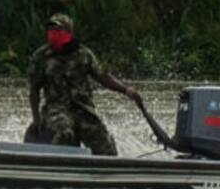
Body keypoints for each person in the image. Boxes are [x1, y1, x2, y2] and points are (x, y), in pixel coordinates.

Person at [26, 13, 141, 156]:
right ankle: (62, 166)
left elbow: (103, 77)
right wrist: (36, 119)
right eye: (51, 31)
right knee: (64, 132)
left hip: (83, 109)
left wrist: (126, 90)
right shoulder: (41, 57)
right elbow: (34, 90)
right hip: (56, 109)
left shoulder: (83, 54)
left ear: (68, 33)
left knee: (103, 143)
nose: (53, 34)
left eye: (58, 31)